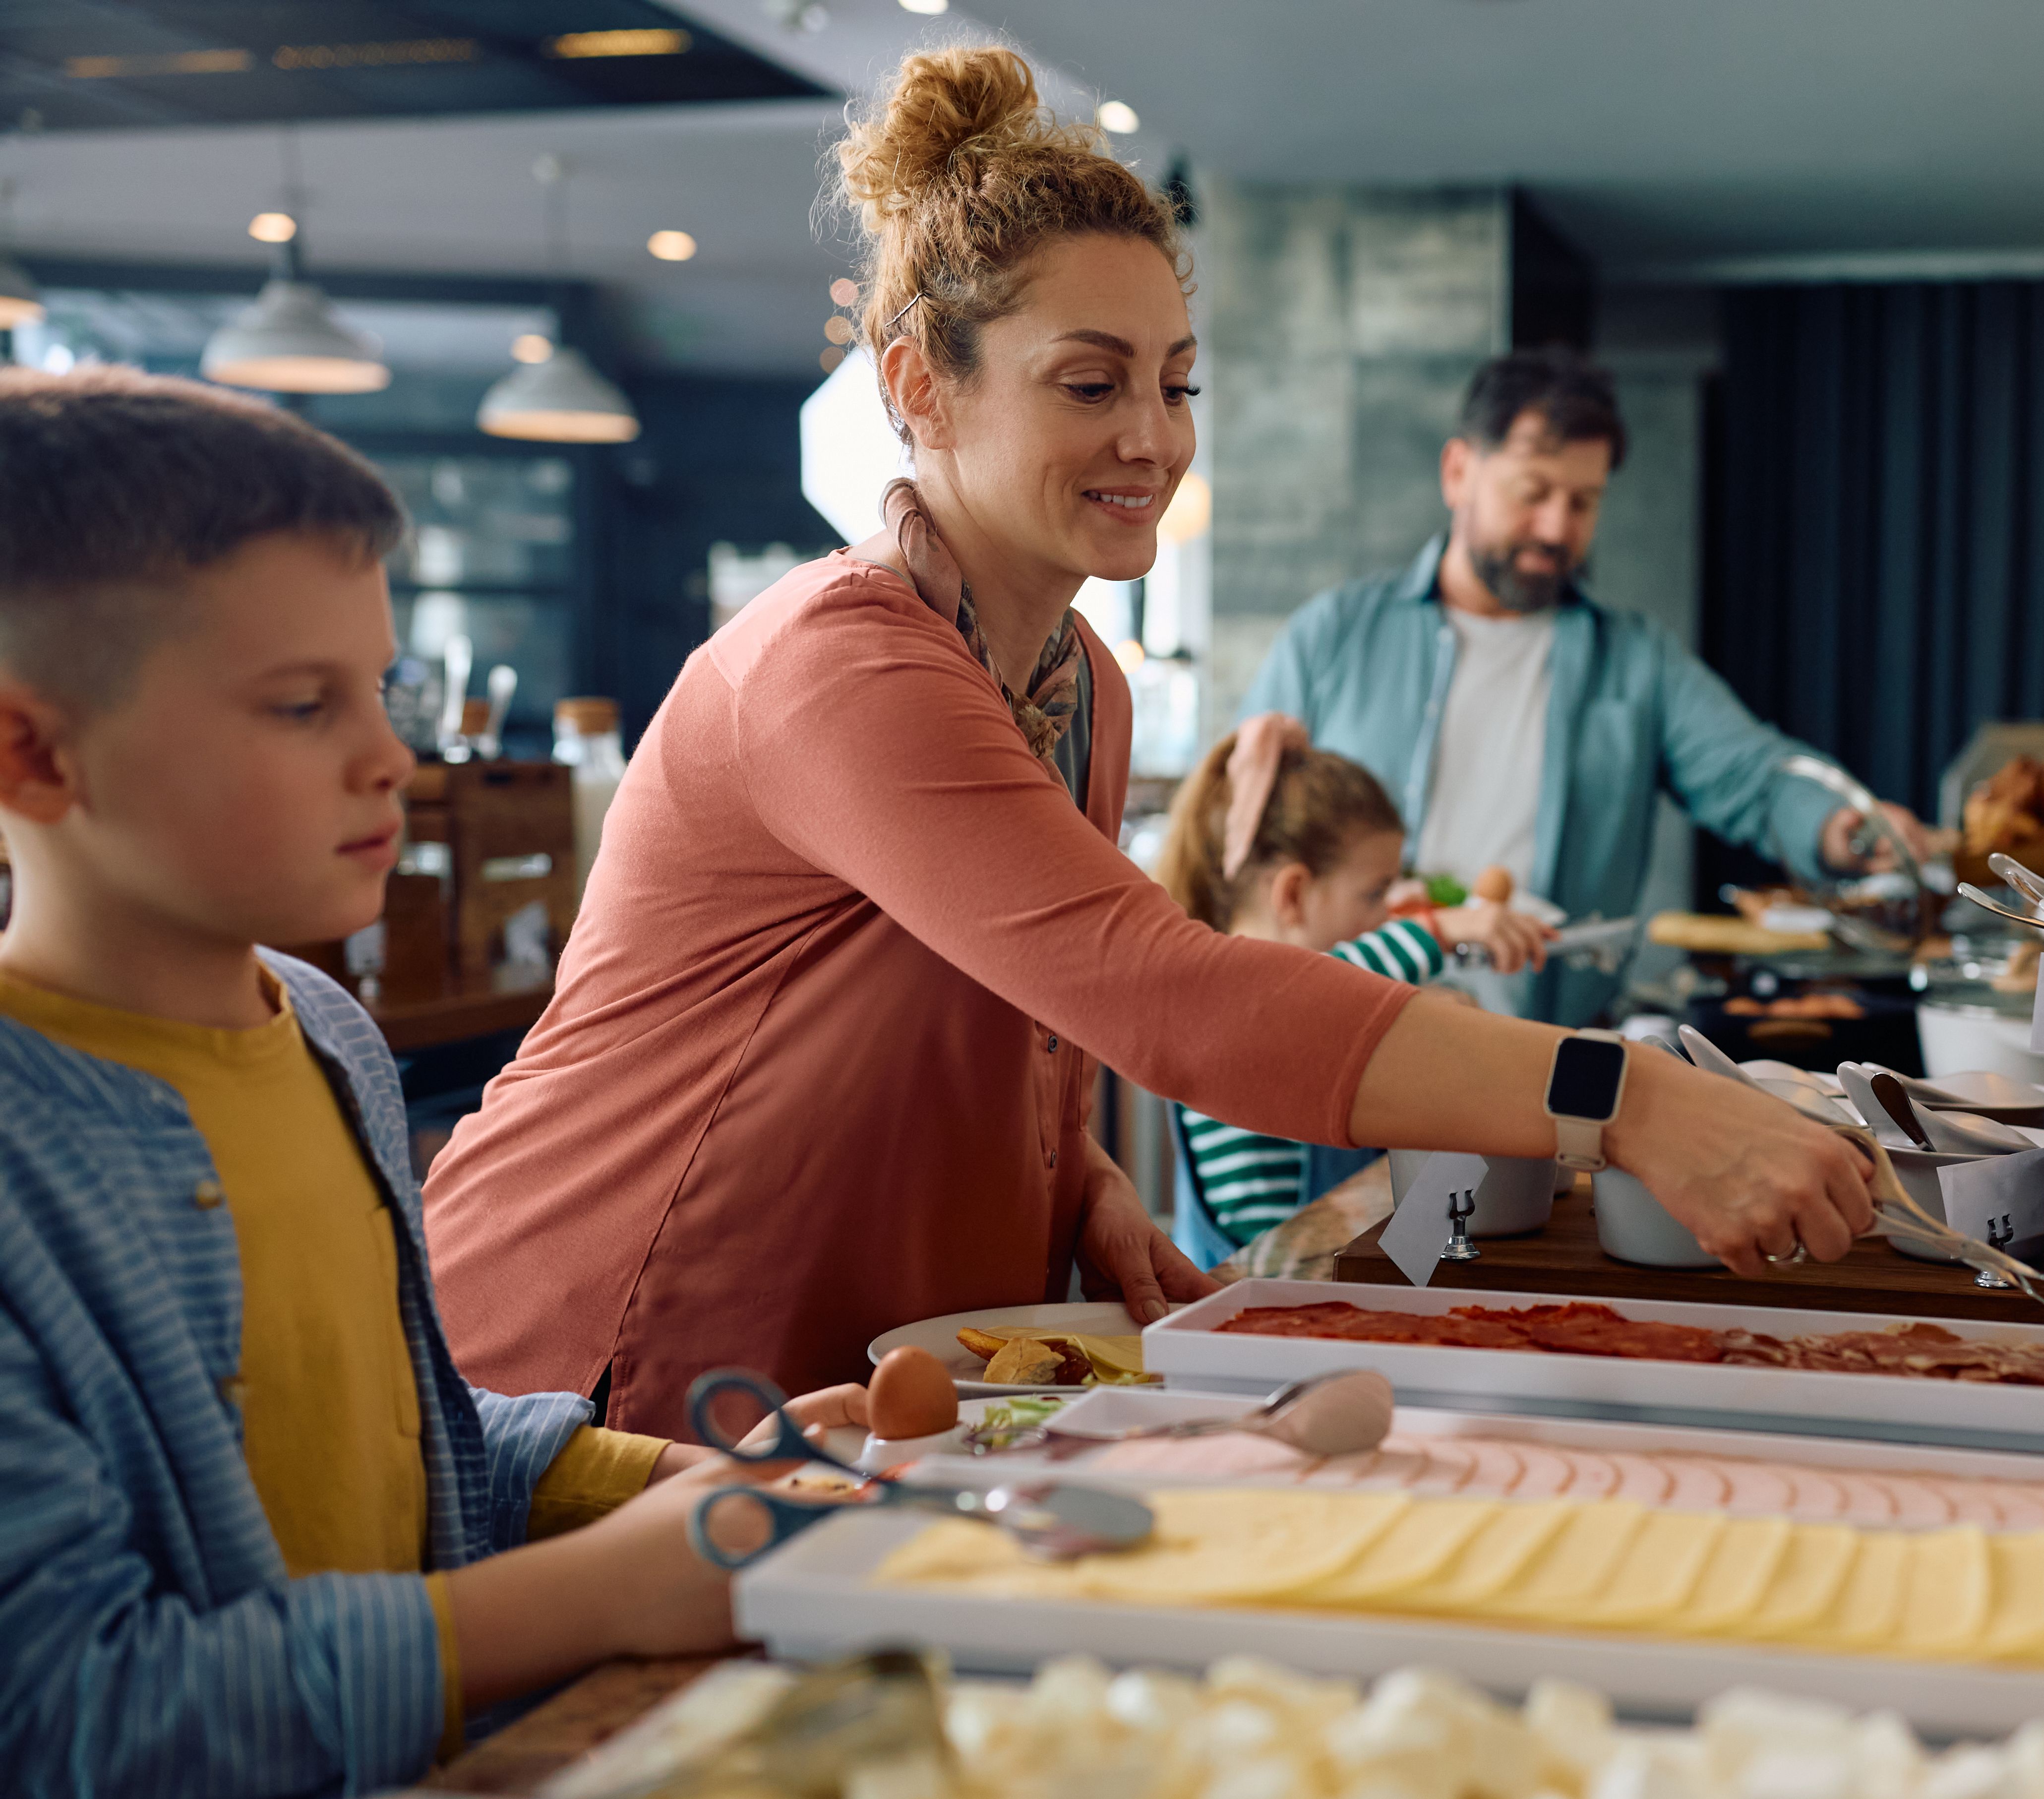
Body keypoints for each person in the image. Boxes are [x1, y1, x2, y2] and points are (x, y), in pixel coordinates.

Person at [422, 46, 1874, 1435]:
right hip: (600, 1346)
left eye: (1175, 385)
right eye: (1089, 381)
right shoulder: (838, 662)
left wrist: (1074, 1173)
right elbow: (1164, 996)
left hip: (871, 1359)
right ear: (919, 381)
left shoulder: (1080, 680)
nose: (1152, 438)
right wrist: (1618, 1098)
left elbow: (1037, 1002)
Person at [0, 368, 867, 1799]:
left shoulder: (326, 1031)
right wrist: (605, 1592)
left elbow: (403, 1437)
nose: (388, 759)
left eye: (380, 690)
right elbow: (71, 1719)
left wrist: (687, 1477)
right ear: (34, 754)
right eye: (298, 704)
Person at [1242, 348, 1945, 1024]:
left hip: (1544, 1055)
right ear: (1459, 472)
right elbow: (1242, 848)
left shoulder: (1636, 659)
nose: (1557, 526)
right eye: (1534, 492)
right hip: (1347, 1041)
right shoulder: (1333, 634)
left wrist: (1839, 827)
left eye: (1583, 501)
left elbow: (1752, 776)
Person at [1151, 712, 1553, 1265]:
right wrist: (1435, 930)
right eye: (1374, 895)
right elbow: (1313, 990)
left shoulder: (1270, 1002)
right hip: (1258, 1301)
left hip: (1332, 1275)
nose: (1386, 915)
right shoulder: (1232, 1004)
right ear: (1293, 894)